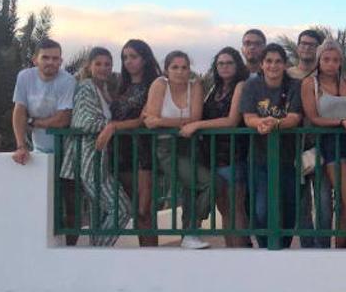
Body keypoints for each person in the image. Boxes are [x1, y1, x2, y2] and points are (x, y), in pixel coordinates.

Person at [179, 47, 252, 248]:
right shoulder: (214, 88)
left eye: (229, 63)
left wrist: (198, 125)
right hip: (211, 156)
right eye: (220, 63)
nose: (224, 67)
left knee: (234, 208)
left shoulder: (241, 86)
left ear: (237, 65)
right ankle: (232, 252)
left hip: (232, 155)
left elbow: (231, 120)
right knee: (224, 210)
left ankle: (241, 253)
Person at [59, 47, 133, 246]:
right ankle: (98, 252)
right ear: (89, 66)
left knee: (98, 213)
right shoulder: (85, 86)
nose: (103, 68)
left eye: (107, 64)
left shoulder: (105, 90)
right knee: (122, 209)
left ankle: (96, 252)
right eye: (98, 64)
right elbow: (83, 122)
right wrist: (111, 127)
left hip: (100, 159)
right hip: (87, 159)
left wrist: (111, 127)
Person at [11, 39, 78, 245]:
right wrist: (21, 145)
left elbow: (63, 119)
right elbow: (19, 111)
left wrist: (33, 121)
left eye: (55, 58)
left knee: (70, 200)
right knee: (41, 201)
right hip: (39, 151)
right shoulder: (25, 77)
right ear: (35, 59)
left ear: (61, 61)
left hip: (67, 151)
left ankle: (71, 248)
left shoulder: (67, 80)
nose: (51, 62)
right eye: (45, 58)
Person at [143, 50, 210, 250]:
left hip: (191, 145)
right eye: (175, 67)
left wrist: (162, 121)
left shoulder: (195, 85)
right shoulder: (159, 84)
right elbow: (150, 122)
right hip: (166, 147)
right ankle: (191, 231)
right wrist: (177, 123)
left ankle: (189, 235)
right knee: (209, 183)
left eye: (184, 67)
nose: (180, 72)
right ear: (166, 69)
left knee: (191, 189)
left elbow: (195, 118)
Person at [301, 40, 346, 249]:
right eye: (326, 59)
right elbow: (313, 117)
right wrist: (341, 122)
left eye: (336, 60)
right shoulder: (310, 83)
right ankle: (339, 252)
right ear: (319, 60)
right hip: (331, 144)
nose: (331, 64)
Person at [240, 43, 303, 249]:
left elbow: (294, 117)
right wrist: (261, 123)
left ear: (285, 65)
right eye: (268, 61)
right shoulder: (251, 86)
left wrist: (275, 123)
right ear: (262, 64)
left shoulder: (294, 85)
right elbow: (248, 117)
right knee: (261, 209)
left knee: (289, 206)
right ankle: (266, 247)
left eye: (278, 61)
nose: (273, 66)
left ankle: (282, 247)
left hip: (288, 157)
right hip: (259, 157)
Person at [99, 39, 160, 247]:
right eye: (125, 57)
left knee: (144, 211)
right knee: (133, 211)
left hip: (143, 152)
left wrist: (115, 126)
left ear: (145, 58)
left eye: (133, 56)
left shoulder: (155, 84)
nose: (128, 61)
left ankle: (152, 262)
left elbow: (145, 119)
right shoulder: (122, 86)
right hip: (120, 152)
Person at [287, 29, 330, 248]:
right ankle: (307, 247)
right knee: (301, 202)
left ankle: (322, 247)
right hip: (294, 145)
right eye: (303, 43)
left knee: (323, 201)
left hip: (321, 143)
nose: (306, 47)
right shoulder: (288, 75)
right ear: (297, 46)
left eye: (312, 44)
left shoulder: (326, 76)